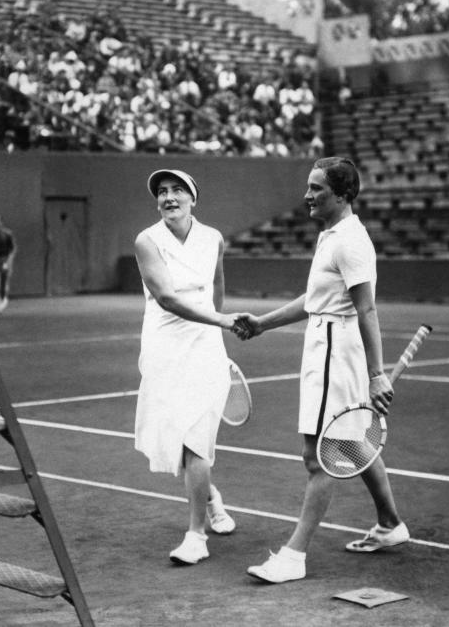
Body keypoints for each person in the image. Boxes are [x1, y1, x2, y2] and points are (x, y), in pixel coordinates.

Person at [234, 157, 408, 584]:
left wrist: (376, 373)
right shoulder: (331, 235)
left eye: (317, 189)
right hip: (324, 346)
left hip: (337, 353)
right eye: (308, 186)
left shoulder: (350, 241)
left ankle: (294, 555)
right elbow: (314, 299)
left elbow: (366, 308)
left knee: (320, 457)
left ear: (344, 195)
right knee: (351, 444)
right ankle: (390, 525)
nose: (307, 195)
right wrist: (262, 324)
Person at [133, 168, 240, 566]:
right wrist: (223, 321)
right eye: (162, 191)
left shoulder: (213, 238)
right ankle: (210, 496)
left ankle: (196, 535)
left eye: (177, 190)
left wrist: (219, 331)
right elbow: (166, 298)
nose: (169, 197)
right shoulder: (147, 241)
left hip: (205, 348)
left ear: (193, 198)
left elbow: (217, 287)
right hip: (164, 346)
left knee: (196, 440)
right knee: (178, 440)